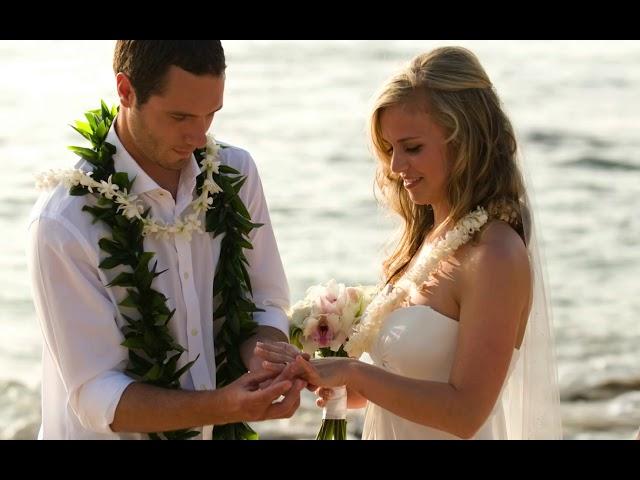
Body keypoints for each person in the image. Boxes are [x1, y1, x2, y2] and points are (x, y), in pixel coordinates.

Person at [256, 46, 562, 439]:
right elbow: (413, 379)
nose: (396, 167)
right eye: (390, 149)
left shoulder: (495, 254)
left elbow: (466, 413)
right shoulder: (429, 240)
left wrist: (356, 373)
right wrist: (341, 383)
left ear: (465, 140)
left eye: (412, 147)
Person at [27, 40, 305, 440]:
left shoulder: (235, 172)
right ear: (125, 90)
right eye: (180, 116)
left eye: (211, 114)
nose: (197, 136)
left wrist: (264, 356)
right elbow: (96, 395)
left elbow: (266, 301)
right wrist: (226, 405)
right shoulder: (64, 221)